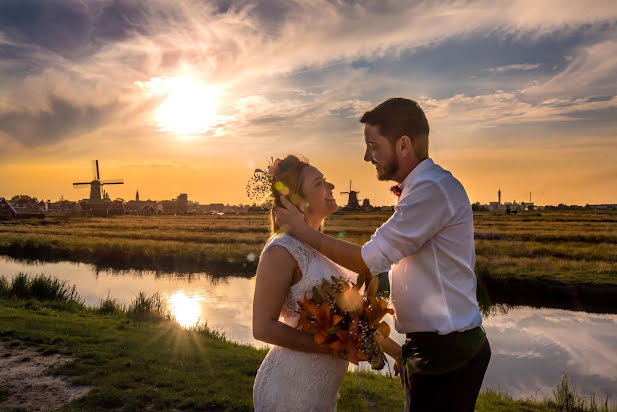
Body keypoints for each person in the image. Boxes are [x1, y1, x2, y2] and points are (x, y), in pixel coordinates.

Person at [275, 98, 491, 412]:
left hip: (447, 351)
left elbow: (370, 259)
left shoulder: (431, 190)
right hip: (433, 346)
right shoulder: (423, 188)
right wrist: (408, 353)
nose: (367, 156)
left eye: (373, 146)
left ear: (403, 145)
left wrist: (302, 231)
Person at [252, 155, 359, 411]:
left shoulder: (324, 246)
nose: (331, 187)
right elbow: (262, 327)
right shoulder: (281, 250)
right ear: (299, 202)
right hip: (290, 389)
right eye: (320, 183)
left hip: (321, 392)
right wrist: (331, 347)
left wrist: (394, 352)